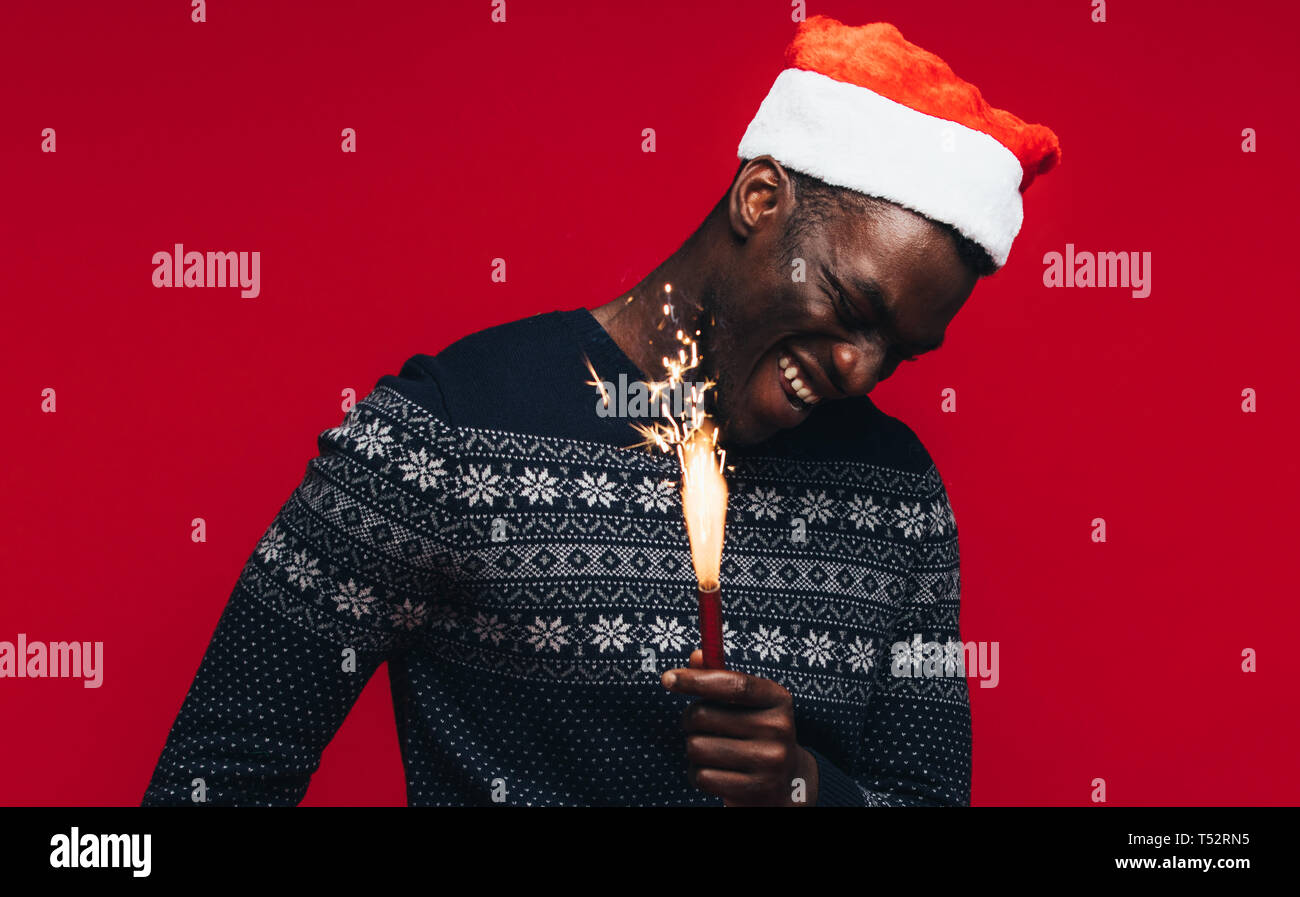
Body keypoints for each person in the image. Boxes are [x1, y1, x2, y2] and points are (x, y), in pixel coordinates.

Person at [142, 15, 1059, 807]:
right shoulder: (443, 437)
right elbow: (219, 773)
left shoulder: (897, 494)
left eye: (901, 350)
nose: (861, 371)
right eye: (853, 309)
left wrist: (812, 791)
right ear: (761, 197)